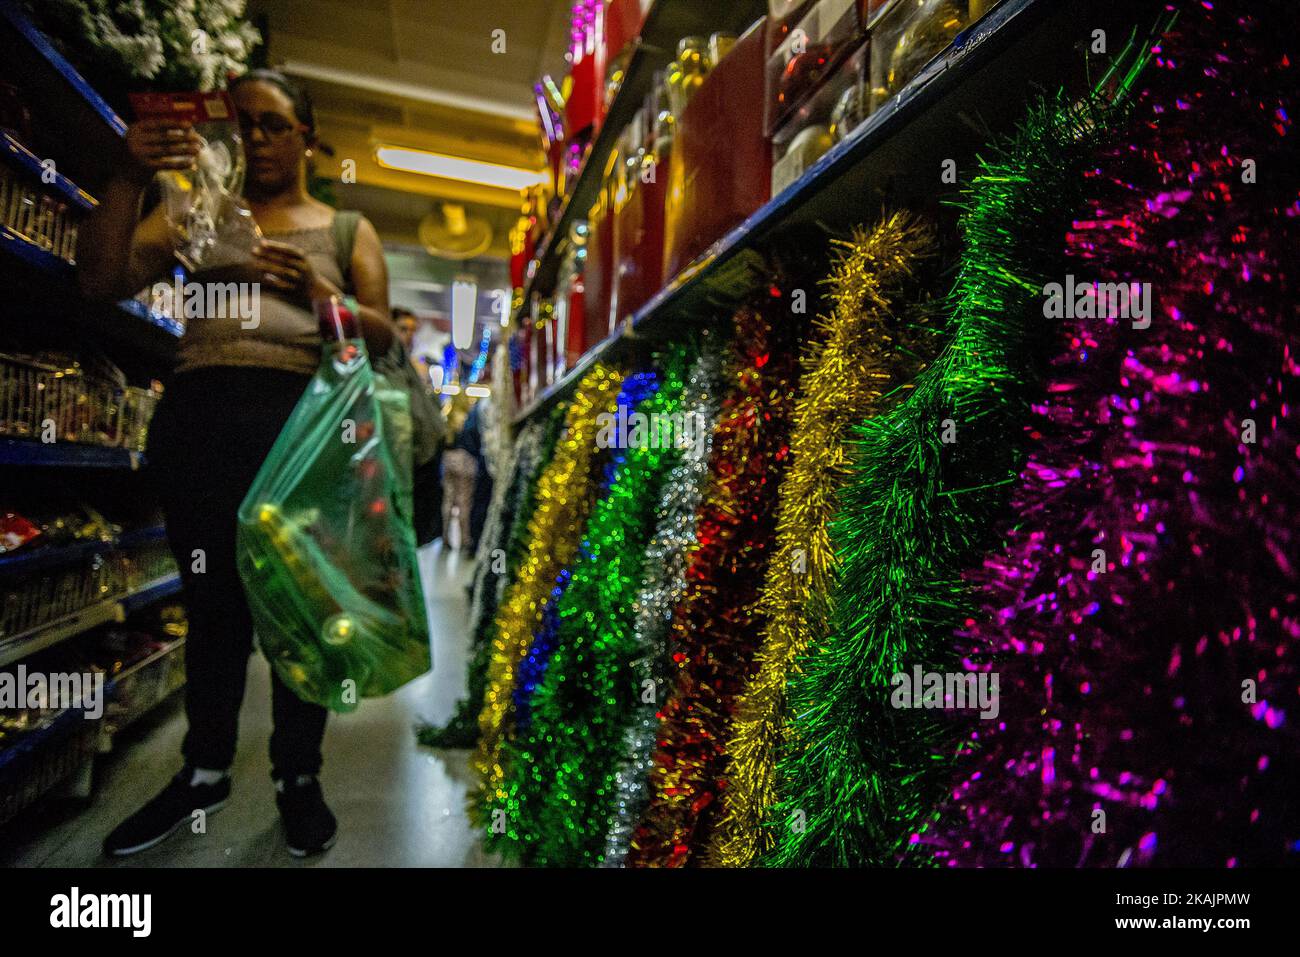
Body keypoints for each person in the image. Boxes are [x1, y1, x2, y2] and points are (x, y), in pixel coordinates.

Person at [78, 69, 396, 858]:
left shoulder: (345, 227)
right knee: (213, 608)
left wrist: (326, 294)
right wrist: (128, 174)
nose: (254, 139)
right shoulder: (197, 209)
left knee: (301, 610)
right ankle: (206, 766)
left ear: (307, 135)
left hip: (300, 428)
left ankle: (298, 775)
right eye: (242, 124)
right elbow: (100, 279)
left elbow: (382, 337)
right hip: (202, 422)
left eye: (272, 124)